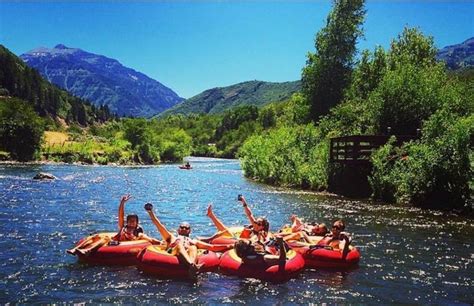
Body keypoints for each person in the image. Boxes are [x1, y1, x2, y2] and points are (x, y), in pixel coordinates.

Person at [144, 203, 233, 277]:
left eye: (186, 228)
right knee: (179, 245)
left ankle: (192, 267)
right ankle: (193, 266)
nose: (184, 229)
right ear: (178, 230)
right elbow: (159, 225)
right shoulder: (172, 237)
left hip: (188, 253)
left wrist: (230, 246)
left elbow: (212, 247)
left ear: (189, 230)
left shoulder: (193, 241)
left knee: (193, 247)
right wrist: (150, 212)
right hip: (175, 251)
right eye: (182, 227)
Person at [67, 194, 160, 256]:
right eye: (130, 220)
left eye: (134, 221)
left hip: (121, 248)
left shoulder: (138, 233)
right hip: (112, 243)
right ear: (127, 222)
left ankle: (88, 250)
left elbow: (150, 240)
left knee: (105, 239)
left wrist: (161, 243)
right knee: (95, 236)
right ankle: (75, 249)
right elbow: (120, 215)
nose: (132, 222)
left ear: (137, 222)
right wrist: (122, 203)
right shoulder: (123, 228)